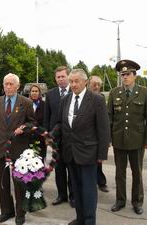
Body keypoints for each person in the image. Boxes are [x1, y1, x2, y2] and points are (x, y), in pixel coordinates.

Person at [53, 69, 110, 225]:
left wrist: (102, 155)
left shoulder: (96, 100)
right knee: (76, 189)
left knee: (88, 190)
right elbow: (60, 123)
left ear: (85, 82)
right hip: (70, 152)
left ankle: (90, 221)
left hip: (88, 153)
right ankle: (80, 218)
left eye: (76, 81)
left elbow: (103, 129)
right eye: (71, 81)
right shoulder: (66, 100)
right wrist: (50, 135)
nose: (73, 84)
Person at [108, 59, 147, 215]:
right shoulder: (114, 93)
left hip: (137, 141)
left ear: (135, 76)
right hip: (119, 140)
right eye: (123, 75)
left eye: (128, 74)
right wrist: (108, 139)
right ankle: (120, 200)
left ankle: (137, 202)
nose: (125, 77)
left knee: (137, 173)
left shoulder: (145, 93)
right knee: (119, 174)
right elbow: (109, 118)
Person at [0, 73, 35, 225]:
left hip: (19, 150)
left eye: (11, 84)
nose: (8, 86)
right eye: (6, 84)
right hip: (1, 149)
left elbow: (32, 123)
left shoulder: (25, 102)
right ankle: (6, 211)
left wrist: (24, 127)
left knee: (19, 185)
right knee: (3, 184)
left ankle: (20, 213)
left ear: (18, 86)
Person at [44, 66, 74, 207]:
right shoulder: (50, 94)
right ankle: (61, 195)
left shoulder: (75, 92)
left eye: (63, 76)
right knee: (59, 169)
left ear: (68, 76)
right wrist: (46, 136)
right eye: (58, 77)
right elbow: (46, 117)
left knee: (72, 169)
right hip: (55, 139)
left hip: (71, 139)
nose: (61, 79)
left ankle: (73, 196)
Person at [89, 76, 108, 193]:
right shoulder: (83, 97)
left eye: (98, 85)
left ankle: (101, 182)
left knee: (98, 162)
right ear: (88, 84)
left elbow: (106, 121)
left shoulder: (101, 98)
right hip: (86, 135)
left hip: (98, 136)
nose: (96, 87)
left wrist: (107, 140)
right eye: (94, 84)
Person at [29, 84, 46, 161]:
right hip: (28, 138)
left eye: (36, 91)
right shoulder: (26, 104)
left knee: (39, 161)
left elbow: (46, 120)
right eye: (32, 91)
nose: (34, 93)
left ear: (39, 93)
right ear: (30, 93)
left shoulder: (44, 105)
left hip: (40, 137)